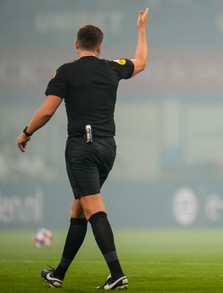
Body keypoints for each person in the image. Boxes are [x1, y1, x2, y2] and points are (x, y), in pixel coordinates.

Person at [16, 6, 149, 290]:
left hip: (81, 149)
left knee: (93, 208)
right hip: (107, 149)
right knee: (79, 208)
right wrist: (141, 29)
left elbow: (47, 111)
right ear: (100, 46)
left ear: (76, 44)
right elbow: (141, 62)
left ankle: (117, 274)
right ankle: (59, 274)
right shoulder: (112, 66)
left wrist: (26, 133)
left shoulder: (66, 71)